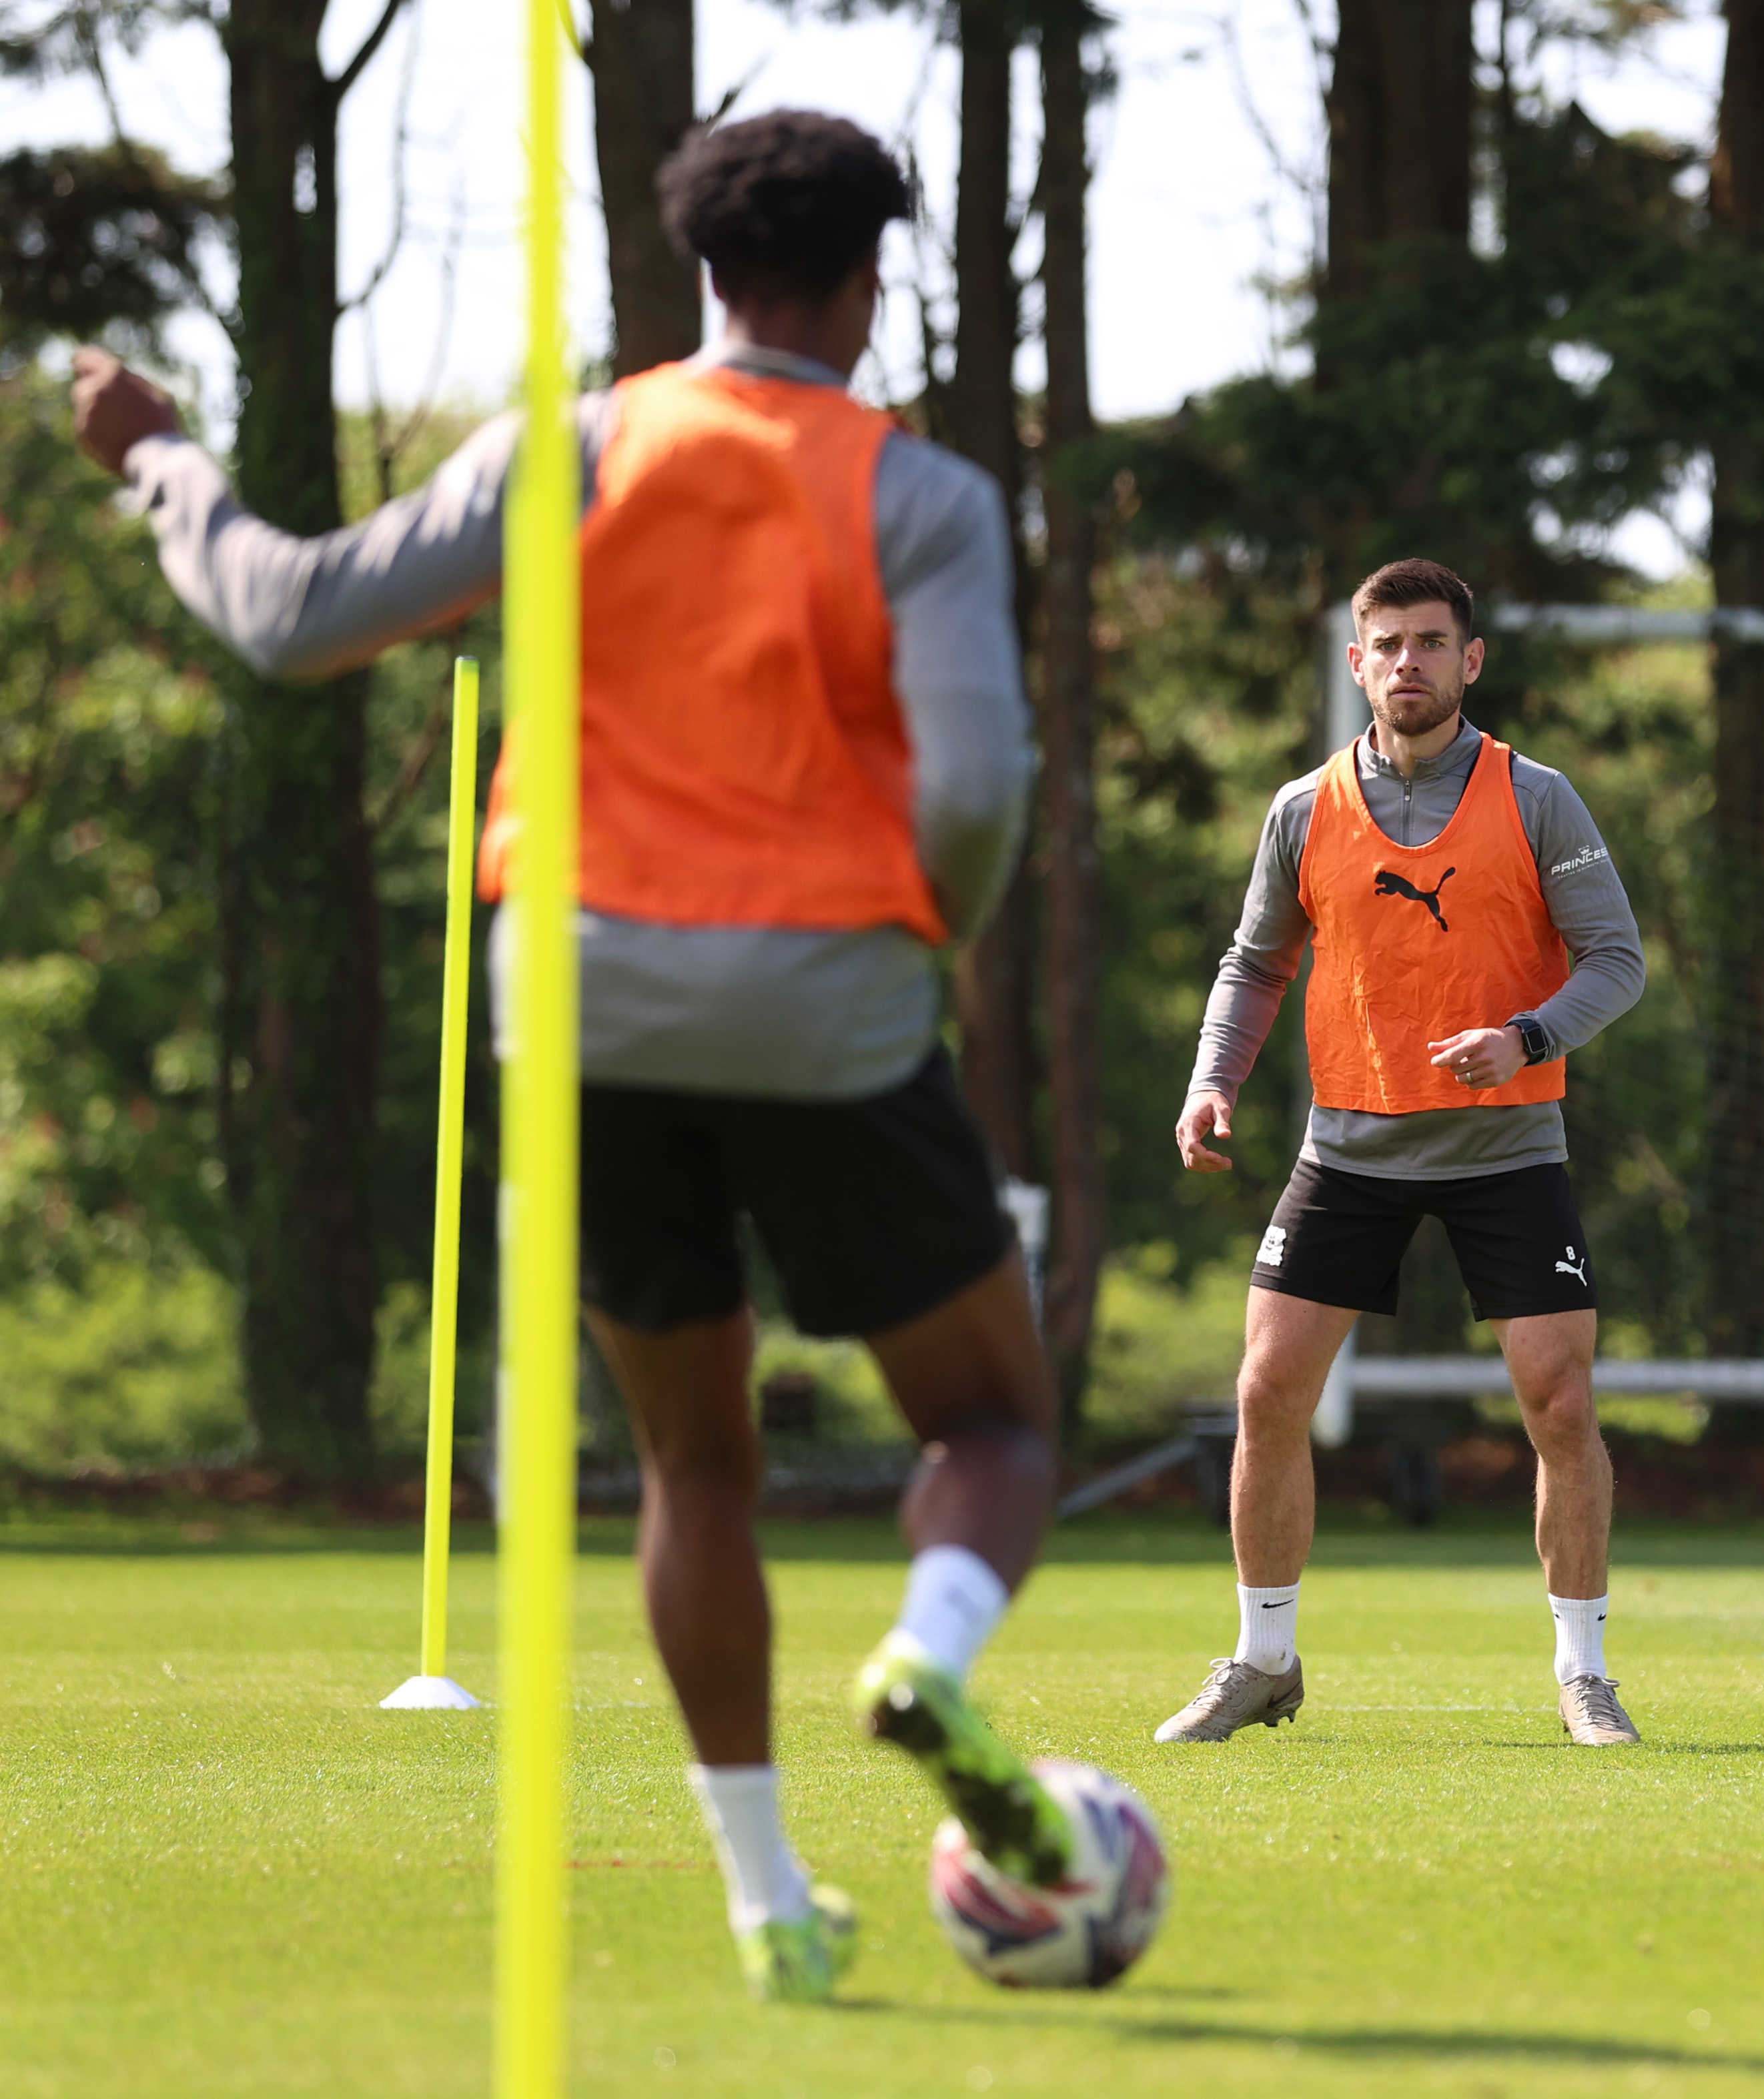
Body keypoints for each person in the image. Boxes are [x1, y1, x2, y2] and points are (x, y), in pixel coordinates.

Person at [71, 110, 1076, 2001]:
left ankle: (769, 1901)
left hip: (581, 997)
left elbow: (289, 617)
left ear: (705, 271)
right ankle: (928, 1656)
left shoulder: (576, 447)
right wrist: (916, 933)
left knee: (695, 1458)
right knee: (995, 1424)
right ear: (870, 284)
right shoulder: (922, 496)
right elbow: (973, 791)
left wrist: (160, 456)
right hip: (827, 996)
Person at [1161, 558, 1648, 1747]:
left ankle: (1584, 1674)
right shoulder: (1302, 807)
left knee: (1560, 1400)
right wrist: (1213, 1080)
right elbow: (1255, 963)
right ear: (1357, 662)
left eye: (1431, 642)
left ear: (1469, 660)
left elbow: (1616, 960)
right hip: (1349, 1147)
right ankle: (1262, 1660)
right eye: (1387, 644)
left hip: (1507, 1147)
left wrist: (1525, 1036)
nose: (1408, 663)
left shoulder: (1537, 798)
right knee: (1267, 1390)